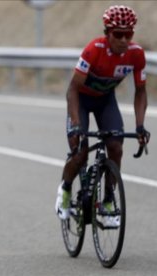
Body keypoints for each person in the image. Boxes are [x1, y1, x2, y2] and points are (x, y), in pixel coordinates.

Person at [55, 5, 150, 225]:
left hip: (105, 101)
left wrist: (139, 126)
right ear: (107, 33)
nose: (124, 40)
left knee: (116, 147)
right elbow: (72, 90)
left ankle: (108, 199)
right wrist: (77, 124)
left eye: (129, 34)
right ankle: (66, 189)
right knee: (80, 153)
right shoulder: (93, 50)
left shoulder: (136, 54)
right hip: (81, 100)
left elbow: (141, 91)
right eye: (118, 34)